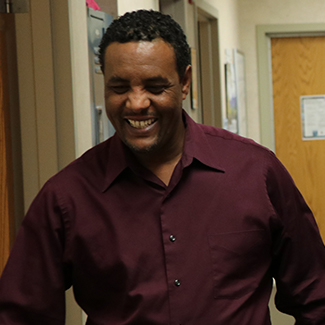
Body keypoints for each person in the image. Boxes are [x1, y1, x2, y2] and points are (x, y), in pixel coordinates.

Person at [0, 9, 325, 325]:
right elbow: (22, 316)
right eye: (119, 87)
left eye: (155, 87)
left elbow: (316, 297)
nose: (136, 103)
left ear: (184, 83)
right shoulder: (66, 197)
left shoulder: (256, 172)